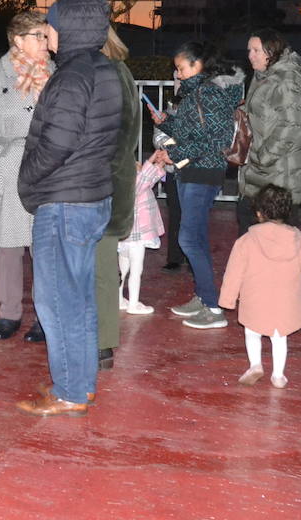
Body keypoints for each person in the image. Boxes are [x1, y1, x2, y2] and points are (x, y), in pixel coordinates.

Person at [15, 0, 122, 417]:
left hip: (64, 201)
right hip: (91, 195)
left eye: (52, 23)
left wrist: (27, 181)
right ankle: (81, 384)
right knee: (78, 299)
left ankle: (69, 392)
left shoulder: (73, 76)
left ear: (69, 27)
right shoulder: (105, 70)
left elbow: (56, 143)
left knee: (57, 299)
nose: (48, 30)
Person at [151, 42, 245, 330]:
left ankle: (213, 308)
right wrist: (166, 123)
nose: (177, 75)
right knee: (196, 237)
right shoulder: (196, 94)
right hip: (191, 171)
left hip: (202, 172)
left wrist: (173, 154)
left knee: (189, 239)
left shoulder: (210, 93)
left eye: (180, 68)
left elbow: (216, 141)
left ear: (198, 65)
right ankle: (205, 297)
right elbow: (192, 132)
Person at [0, 10, 49, 340]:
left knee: (44, 247)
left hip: (45, 168)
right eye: (38, 36)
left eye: (46, 36)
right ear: (18, 40)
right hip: (7, 167)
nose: (45, 42)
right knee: (9, 246)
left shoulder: (56, 73)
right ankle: (9, 313)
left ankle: (45, 317)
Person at [220, 185, 301, 389]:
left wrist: (227, 299)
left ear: (259, 213)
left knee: (252, 332)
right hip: (284, 303)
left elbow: (233, 273)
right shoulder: (295, 237)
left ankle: (255, 365)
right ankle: (278, 375)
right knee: (279, 338)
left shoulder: (246, 240)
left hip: (255, 300)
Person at [238, 29, 301, 233]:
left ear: (271, 51)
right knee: (251, 229)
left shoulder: (286, 81)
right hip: (264, 173)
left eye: (256, 50)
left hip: (280, 174)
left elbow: (292, 125)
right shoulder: (263, 77)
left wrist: (263, 157)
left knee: (273, 240)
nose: (250, 55)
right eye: (249, 50)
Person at [94, 26, 140, 370]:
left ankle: (99, 341)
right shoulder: (120, 72)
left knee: (97, 269)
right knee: (105, 269)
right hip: (113, 184)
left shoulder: (102, 73)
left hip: (97, 186)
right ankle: (103, 343)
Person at [118, 156, 167, 315]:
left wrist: (158, 165)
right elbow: (145, 178)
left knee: (122, 270)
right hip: (136, 236)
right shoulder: (135, 185)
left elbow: (148, 179)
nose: (140, 166)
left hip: (125, 235)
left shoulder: (124, 183)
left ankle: (119, 299)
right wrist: (153, 160)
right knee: (136, 270)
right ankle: (133, 304)